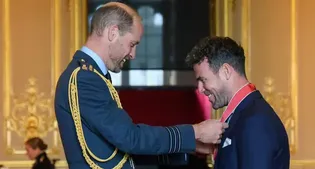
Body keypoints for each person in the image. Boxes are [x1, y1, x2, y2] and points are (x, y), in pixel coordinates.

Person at [54, 2, 228, 169]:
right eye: (132, 44)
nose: (133, 54)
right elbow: (130, 138)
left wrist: (190, 145)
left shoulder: (90, 75)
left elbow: (119, 152)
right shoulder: (85, 78)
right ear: (113, 33)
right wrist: (195, 132)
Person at [185, 36, 290, 169]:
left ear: (226, 71)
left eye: (203, 80)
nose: (200, 89)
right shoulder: (244, 114)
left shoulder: (255, 121)